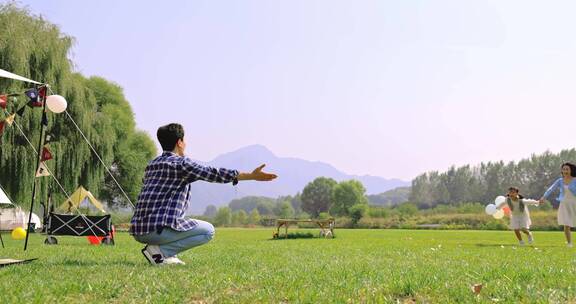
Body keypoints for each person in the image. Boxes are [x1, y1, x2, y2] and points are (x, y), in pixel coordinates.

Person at [130, 123, 277, 265]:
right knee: (208, 231)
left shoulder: (152, 165)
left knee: (177, 221)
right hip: (158, 229)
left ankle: (167, 255)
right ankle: (160, 252)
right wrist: (251, 175)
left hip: (139, 230)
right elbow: (214, 173)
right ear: (180, 142)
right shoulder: (182, 164)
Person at [539, 162, 576, 248]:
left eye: (567, 169)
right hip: (564, 204)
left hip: (574, 203)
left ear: (571, 170)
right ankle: (569, 243)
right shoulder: (560, 181)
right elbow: (551, 189)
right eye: (564, 169)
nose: (565, 171)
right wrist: (544, 197)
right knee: (566, 224)